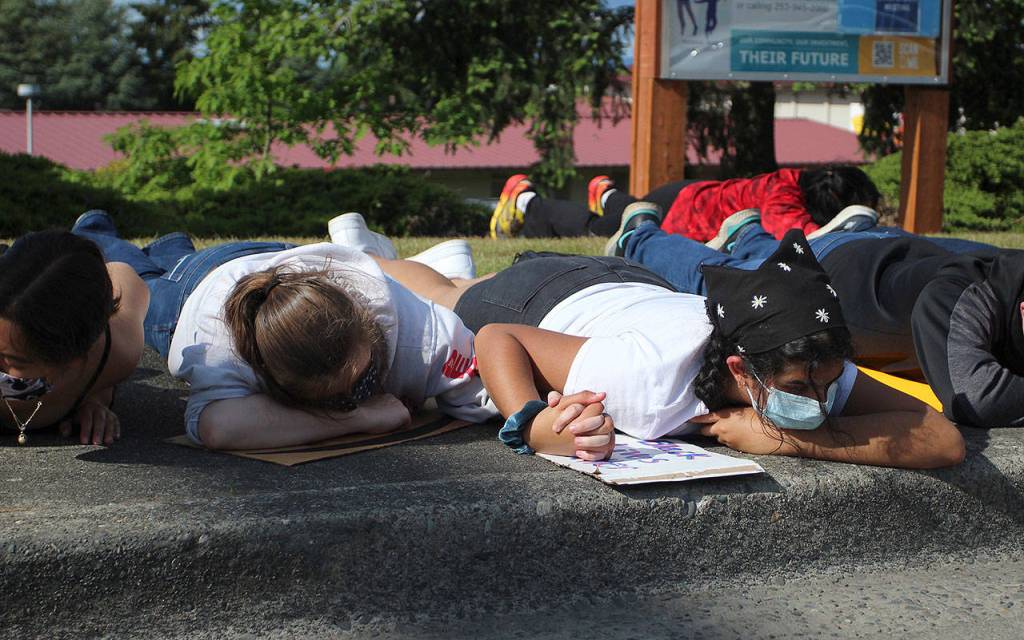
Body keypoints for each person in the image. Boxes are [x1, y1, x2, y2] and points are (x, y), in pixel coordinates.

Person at [448, 229, 964, 468]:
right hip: (539, 297)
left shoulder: (808, 361)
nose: (819, 402)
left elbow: (943, 439)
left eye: (827, 384)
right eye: (797, 389)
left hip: (637, 284)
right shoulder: (644, 377)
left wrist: (796, 441)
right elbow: (499, 337)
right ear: (740, 369)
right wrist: (532, 424)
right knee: (444, 296)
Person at [70, 210, 499, 450]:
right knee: (135, 276)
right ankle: (95, 228)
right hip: (190, 292)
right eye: (338, 395)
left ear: (364, 322)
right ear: (268, 376)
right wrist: (357, 416)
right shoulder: (219, 350)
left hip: (273, 258)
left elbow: (479, 381)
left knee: (170, 259)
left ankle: (171, 242)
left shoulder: (406, 322)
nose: (357, 393)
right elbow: (217, 427)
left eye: (367, 377)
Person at [612, 204, 1024, 428]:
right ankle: (640, 235)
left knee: (755, 257)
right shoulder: (966, 296)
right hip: (836, 273)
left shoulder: (1011, 275)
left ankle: (749, 234)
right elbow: (976, 399)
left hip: (887, 252)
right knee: (720, 287)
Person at [0, 231, 149, 446]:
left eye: (13, 360)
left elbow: (124, 273)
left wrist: (94, 397)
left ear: (72, 358)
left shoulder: (117, 351)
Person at [488, 165, 881, 242]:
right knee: (602, 231)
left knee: (630, 208)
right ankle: (528, 200)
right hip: (682, 211)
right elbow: (797, 234)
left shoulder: (797, 178)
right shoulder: (785, 195)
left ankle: (606, 192)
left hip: (685, 195)